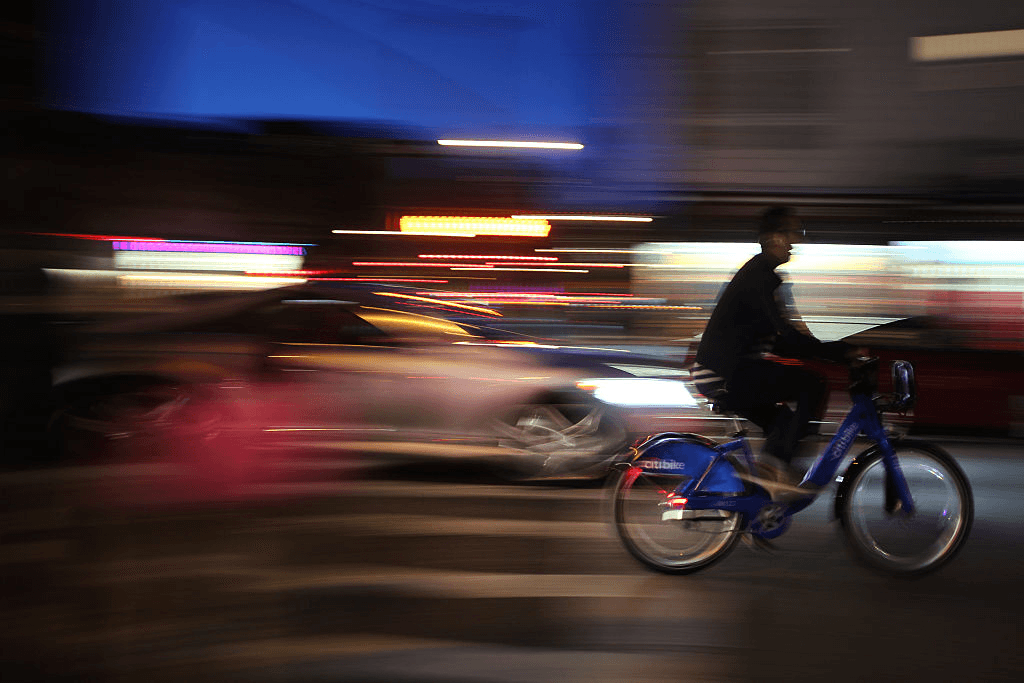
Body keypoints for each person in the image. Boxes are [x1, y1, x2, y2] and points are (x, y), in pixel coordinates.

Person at [690, 206, 858, 498]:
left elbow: (780, 340)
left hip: (725, 370)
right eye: (792, 233)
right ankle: (777, 471)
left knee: (783, 422)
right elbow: (786, 336)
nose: (795, 242)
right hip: (724, 373)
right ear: (773, 238)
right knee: (811, 384)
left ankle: (763, 492)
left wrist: (828, 351)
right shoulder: (760, 279)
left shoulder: (761, 276)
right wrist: (840, 353)